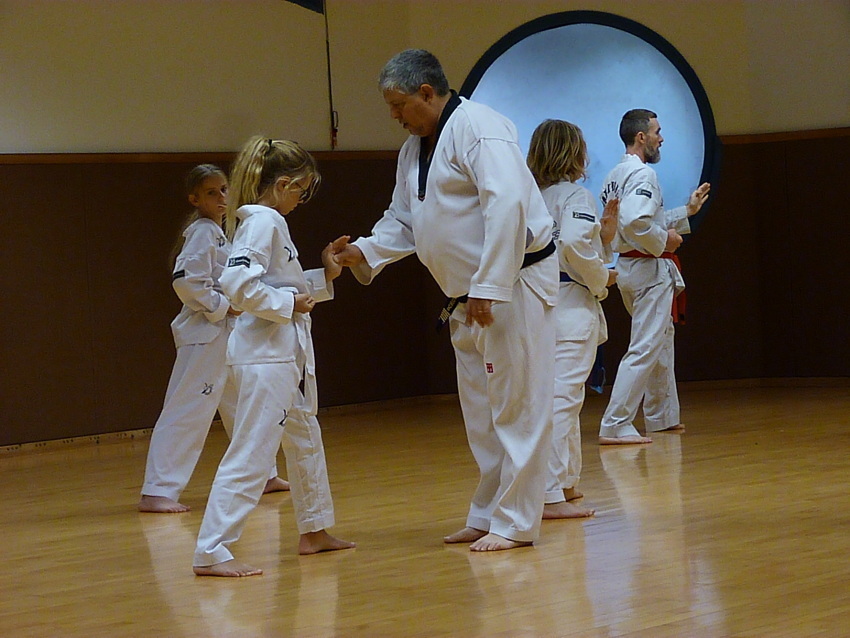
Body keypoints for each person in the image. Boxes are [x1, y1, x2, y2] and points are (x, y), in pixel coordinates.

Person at [333, 49, 559, 552]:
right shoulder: (413, 150)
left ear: (426, 92)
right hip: (465, 296)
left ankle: (516, 522)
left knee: (518, 407)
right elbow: (405, 219)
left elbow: (508, 204)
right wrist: (364, 250)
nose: (395, 116)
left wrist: (488, 285)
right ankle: (487, 514)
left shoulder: (481, 127)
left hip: (512, 286)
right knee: (482, 414)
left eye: (399, 105)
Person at [192, 138, 354, 577]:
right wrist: (288, 304)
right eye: (302, 190)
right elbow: (238, 285)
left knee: (304, 437)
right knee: (253, 451)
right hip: (265, 359)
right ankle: (211, 549)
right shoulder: (264, 221)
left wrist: (324, 276)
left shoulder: (266, 223)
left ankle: (314, 530)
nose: (301, 199)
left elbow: (283, 287)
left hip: (279, 355)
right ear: (284, 184)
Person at [138, 165, 289, 515]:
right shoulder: (203, 231)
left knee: (245, 407)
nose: (221, 197)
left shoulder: (222, 233)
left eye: (224, 190)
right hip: (205, 337)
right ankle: (157, 490)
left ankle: (262, 475)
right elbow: (186, 281)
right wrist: (223, 306)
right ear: (195, 199)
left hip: (228, 336)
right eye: (211, 192)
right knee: (187, 410)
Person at [598, 109, 710, 445]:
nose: (661, 138)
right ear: (641, 137)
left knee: (659, 341)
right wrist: (665, 241)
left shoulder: (614, 176)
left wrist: (686, 212)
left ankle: (661, 417)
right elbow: (636, 223)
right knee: (646, 345)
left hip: (630, 267)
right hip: (648, 268)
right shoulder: (643, 174)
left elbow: (636, 222)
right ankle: (616, 422)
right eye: (657, 131)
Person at [526, 119, 619, 519]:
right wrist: (602, 278)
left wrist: (604, 238)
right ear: (576, 155)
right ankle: (550, 494)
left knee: (556, 396)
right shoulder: (576, 196)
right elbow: (574, 245)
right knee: (562, 400)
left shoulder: (530, 198)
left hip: (534, 306)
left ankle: (565, 481)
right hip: (570, 306)